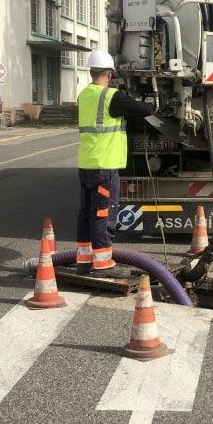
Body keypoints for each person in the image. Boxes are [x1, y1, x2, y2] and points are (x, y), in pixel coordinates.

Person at [76, 51, 154, 275]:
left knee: (86, 212)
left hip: (87, 164)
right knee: (103, 213)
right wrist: (153, 105)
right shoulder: (112, 97)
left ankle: (84, 258)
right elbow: (143, 110)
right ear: (109, 73)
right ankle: (102, 262)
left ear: (91, 72)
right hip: (105, 166)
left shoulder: (84, 95)